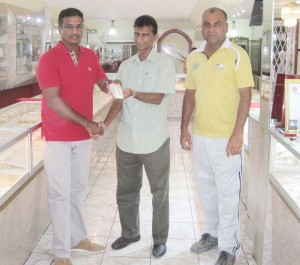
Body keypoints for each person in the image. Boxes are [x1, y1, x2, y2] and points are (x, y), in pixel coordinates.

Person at [36, 8, 110, 265]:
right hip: (57, 136)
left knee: (77, 190)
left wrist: (117, 88)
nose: (75, 31)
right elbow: (53, 101)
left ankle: (78, 238)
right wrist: (87, 123)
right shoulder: (49, 59)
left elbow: (103, 82)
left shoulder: (90, 55)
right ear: (60, 29)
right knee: (60, 193)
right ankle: (61, 253)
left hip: (82, 136)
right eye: (69, 26)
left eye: (78, 26)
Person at [180, 7, 253, 265]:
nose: (211, 28)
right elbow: (190, 94)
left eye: (217, 24)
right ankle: (211, 233)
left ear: (226, 27)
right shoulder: (195, 57)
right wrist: (183, 129)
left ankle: (229, 246)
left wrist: (237, 134)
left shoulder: (237, 55)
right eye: (207, 24)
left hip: (226, 139)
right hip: (201, 136)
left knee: (228, 193)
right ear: (202, 26)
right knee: (206, 190)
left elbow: (246, 95)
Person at [100, 15, 175, 258]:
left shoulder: (164, 64)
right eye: (136, 34)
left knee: (159, 192)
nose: (140, 39)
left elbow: (158, 97)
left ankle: (160, 239)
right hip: (126, 141)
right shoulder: (126, 66)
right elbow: (119, 99)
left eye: (145, 34)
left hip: (154, 141)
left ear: (154, 37)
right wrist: (105, 123)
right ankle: (130, 232)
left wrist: (133, 92)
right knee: (126, 191)